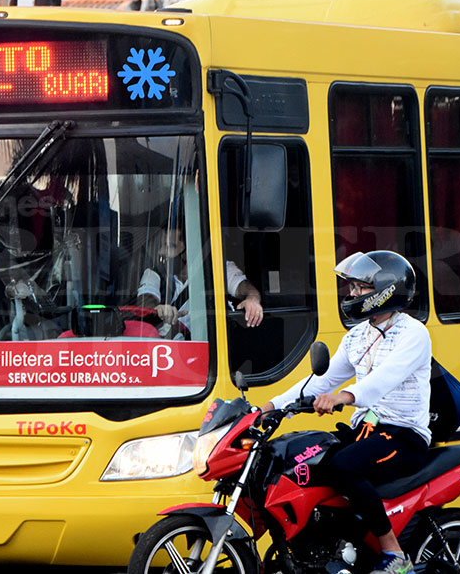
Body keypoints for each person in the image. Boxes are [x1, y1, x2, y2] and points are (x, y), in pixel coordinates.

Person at [261, 250, 430, 574]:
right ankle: (333, 548)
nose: (351, 294)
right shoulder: (357, 337)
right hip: (367, 431)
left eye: (360, 288)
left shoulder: (413, 334)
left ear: (386, 289)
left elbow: (384, 380)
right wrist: (269, 407)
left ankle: (394, 554)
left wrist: (344, 397)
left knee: (344, 464)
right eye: (351, 287)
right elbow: (318, 382)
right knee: (307, 462)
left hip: (403, 435)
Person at [137, 227, 263, 338]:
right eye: (161, 246)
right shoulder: (154, 274)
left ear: (189, 251)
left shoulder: (217, 270)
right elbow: (145, 299)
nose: (161, 252)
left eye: (170, 246)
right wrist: (158, 309)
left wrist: (252, 299)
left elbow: (246, 288)